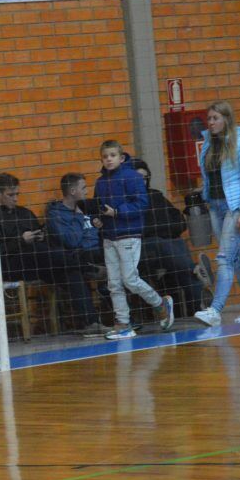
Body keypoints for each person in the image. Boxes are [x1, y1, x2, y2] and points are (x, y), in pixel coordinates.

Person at [0, 172, 103, 332]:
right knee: (34, 249)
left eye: (17, 194)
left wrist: (41, 236)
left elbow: (44, 240)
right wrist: (21, 241)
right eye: (10, 195)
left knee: (71, 271)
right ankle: (87, 266)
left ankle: (91, 323)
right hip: (10, 267)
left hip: (38, 264)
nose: (15, 198)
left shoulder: (25, 213)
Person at [92, 140, 175, 340]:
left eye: (112, 155)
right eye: (105, 156)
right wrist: (98, 220)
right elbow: (98, 206)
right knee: (113, 283)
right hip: (109, 236)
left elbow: (141, 204)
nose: (108, 159)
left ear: (121, 158)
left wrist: (117, 212)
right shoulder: (100, 182)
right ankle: (123, 323)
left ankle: (160, 303)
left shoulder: (132, 177)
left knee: (130, 278)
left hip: (128, 234)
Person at [193, 101, 240, 327]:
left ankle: (215, 310)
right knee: (237, 258)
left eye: (215, 118)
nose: (211, 123)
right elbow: (211, 176)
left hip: (235, 207)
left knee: (224, 257)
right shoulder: (209, 144)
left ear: (226, 119)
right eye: (209, 119)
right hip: (215, 206)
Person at [127, 158, 209, 317]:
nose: (142, 182)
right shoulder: (130, 202)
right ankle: (195, 268)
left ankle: (199, 310)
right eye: (138, 179)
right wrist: (162, 231)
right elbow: (143, 230)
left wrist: (163, 231)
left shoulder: (156, 196)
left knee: (178, 245)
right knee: (161, 242)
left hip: (167, 246)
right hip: (143, 249)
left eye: (145, 178)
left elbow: (179, 221)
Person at [45, 172, 109, 337]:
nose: (87, 192)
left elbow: (100, 230)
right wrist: (80, 217)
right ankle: (92, 322)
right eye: (83, 188)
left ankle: (124, 317)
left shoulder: (88, 207)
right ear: (73, 191)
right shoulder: (56, 214)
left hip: (100, 251)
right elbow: (71, 241)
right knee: (75, 272)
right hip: (79, 255)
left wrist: (99, 226)